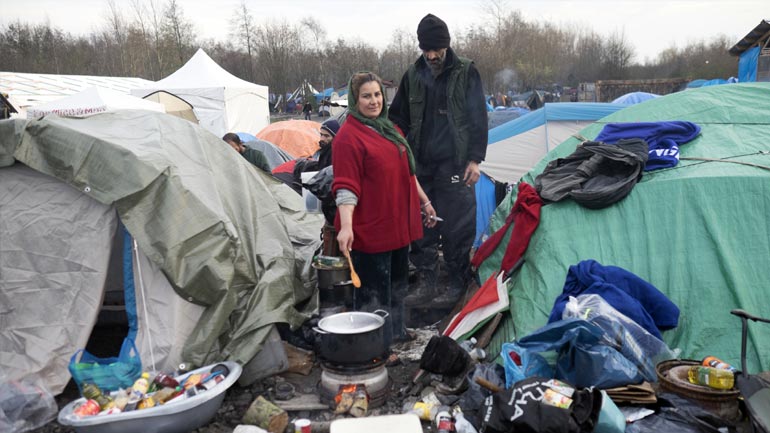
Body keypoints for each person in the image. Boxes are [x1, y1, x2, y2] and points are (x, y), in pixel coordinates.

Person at [388, 13, 489, 306]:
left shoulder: (466, 72)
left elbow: (478, 118)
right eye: (426, 50)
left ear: (446, 45)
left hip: (456, 164)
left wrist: (475, 159)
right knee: (421, 226)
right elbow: (398, 119)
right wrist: (397, 151)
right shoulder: (412, 75)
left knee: (457, 226)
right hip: (422, 165)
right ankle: (427, 281)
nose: (431, 55)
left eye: (436, 50)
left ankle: (457, 283)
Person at [333, 71, 437, 347]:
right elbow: (346, 187)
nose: (373, 101)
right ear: (355, 100)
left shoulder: (391, 129)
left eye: (377, 94)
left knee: (397, 286)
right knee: (373, 293)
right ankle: (373, 346)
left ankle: (396, 331)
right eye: (366, 96)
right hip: (371, 229)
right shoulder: (348, 137)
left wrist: (424, 202)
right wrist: (345, 227)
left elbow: (408, 174)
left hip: (397, 225)